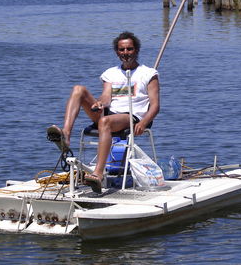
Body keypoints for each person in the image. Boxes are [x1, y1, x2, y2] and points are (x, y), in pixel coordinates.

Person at [47, 31, 160, 193]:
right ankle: (65, 134)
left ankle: (98, 174)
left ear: (136, 50)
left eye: (129, 49)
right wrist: (100, 103)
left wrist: (143, 122)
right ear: (117, 52)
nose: (126, 53)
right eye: (122, 50)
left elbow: (155, 106)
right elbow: (106, 96)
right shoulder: (110, 73)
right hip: (108, 113)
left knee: (104, 122)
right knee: (78, 90)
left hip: (132, 117)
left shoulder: (149, 74)